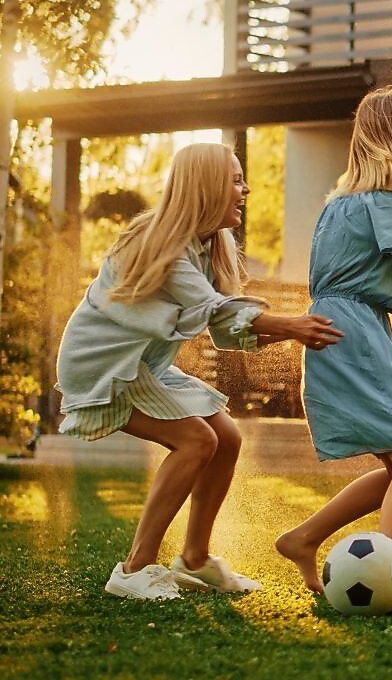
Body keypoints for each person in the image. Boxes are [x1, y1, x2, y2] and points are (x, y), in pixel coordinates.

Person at [56, 143, 345, 601]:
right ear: (205, 186)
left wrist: (291, 332)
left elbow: (225, 330)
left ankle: (194, 559)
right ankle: (134, 569)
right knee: (196, 441)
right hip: (104, 365)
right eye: (234, 180)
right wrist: (289, 324)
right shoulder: (161, 241)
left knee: (226, 437)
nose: (244, 188)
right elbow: (213, 309)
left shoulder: (213, 244)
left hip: (145, 365)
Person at [274, 86, 392, 611]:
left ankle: (303, 538)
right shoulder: (389, 205)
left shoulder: (336, 206)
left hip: (330, 327)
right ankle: (388, 586)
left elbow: (340, 276)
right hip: (357, 335)